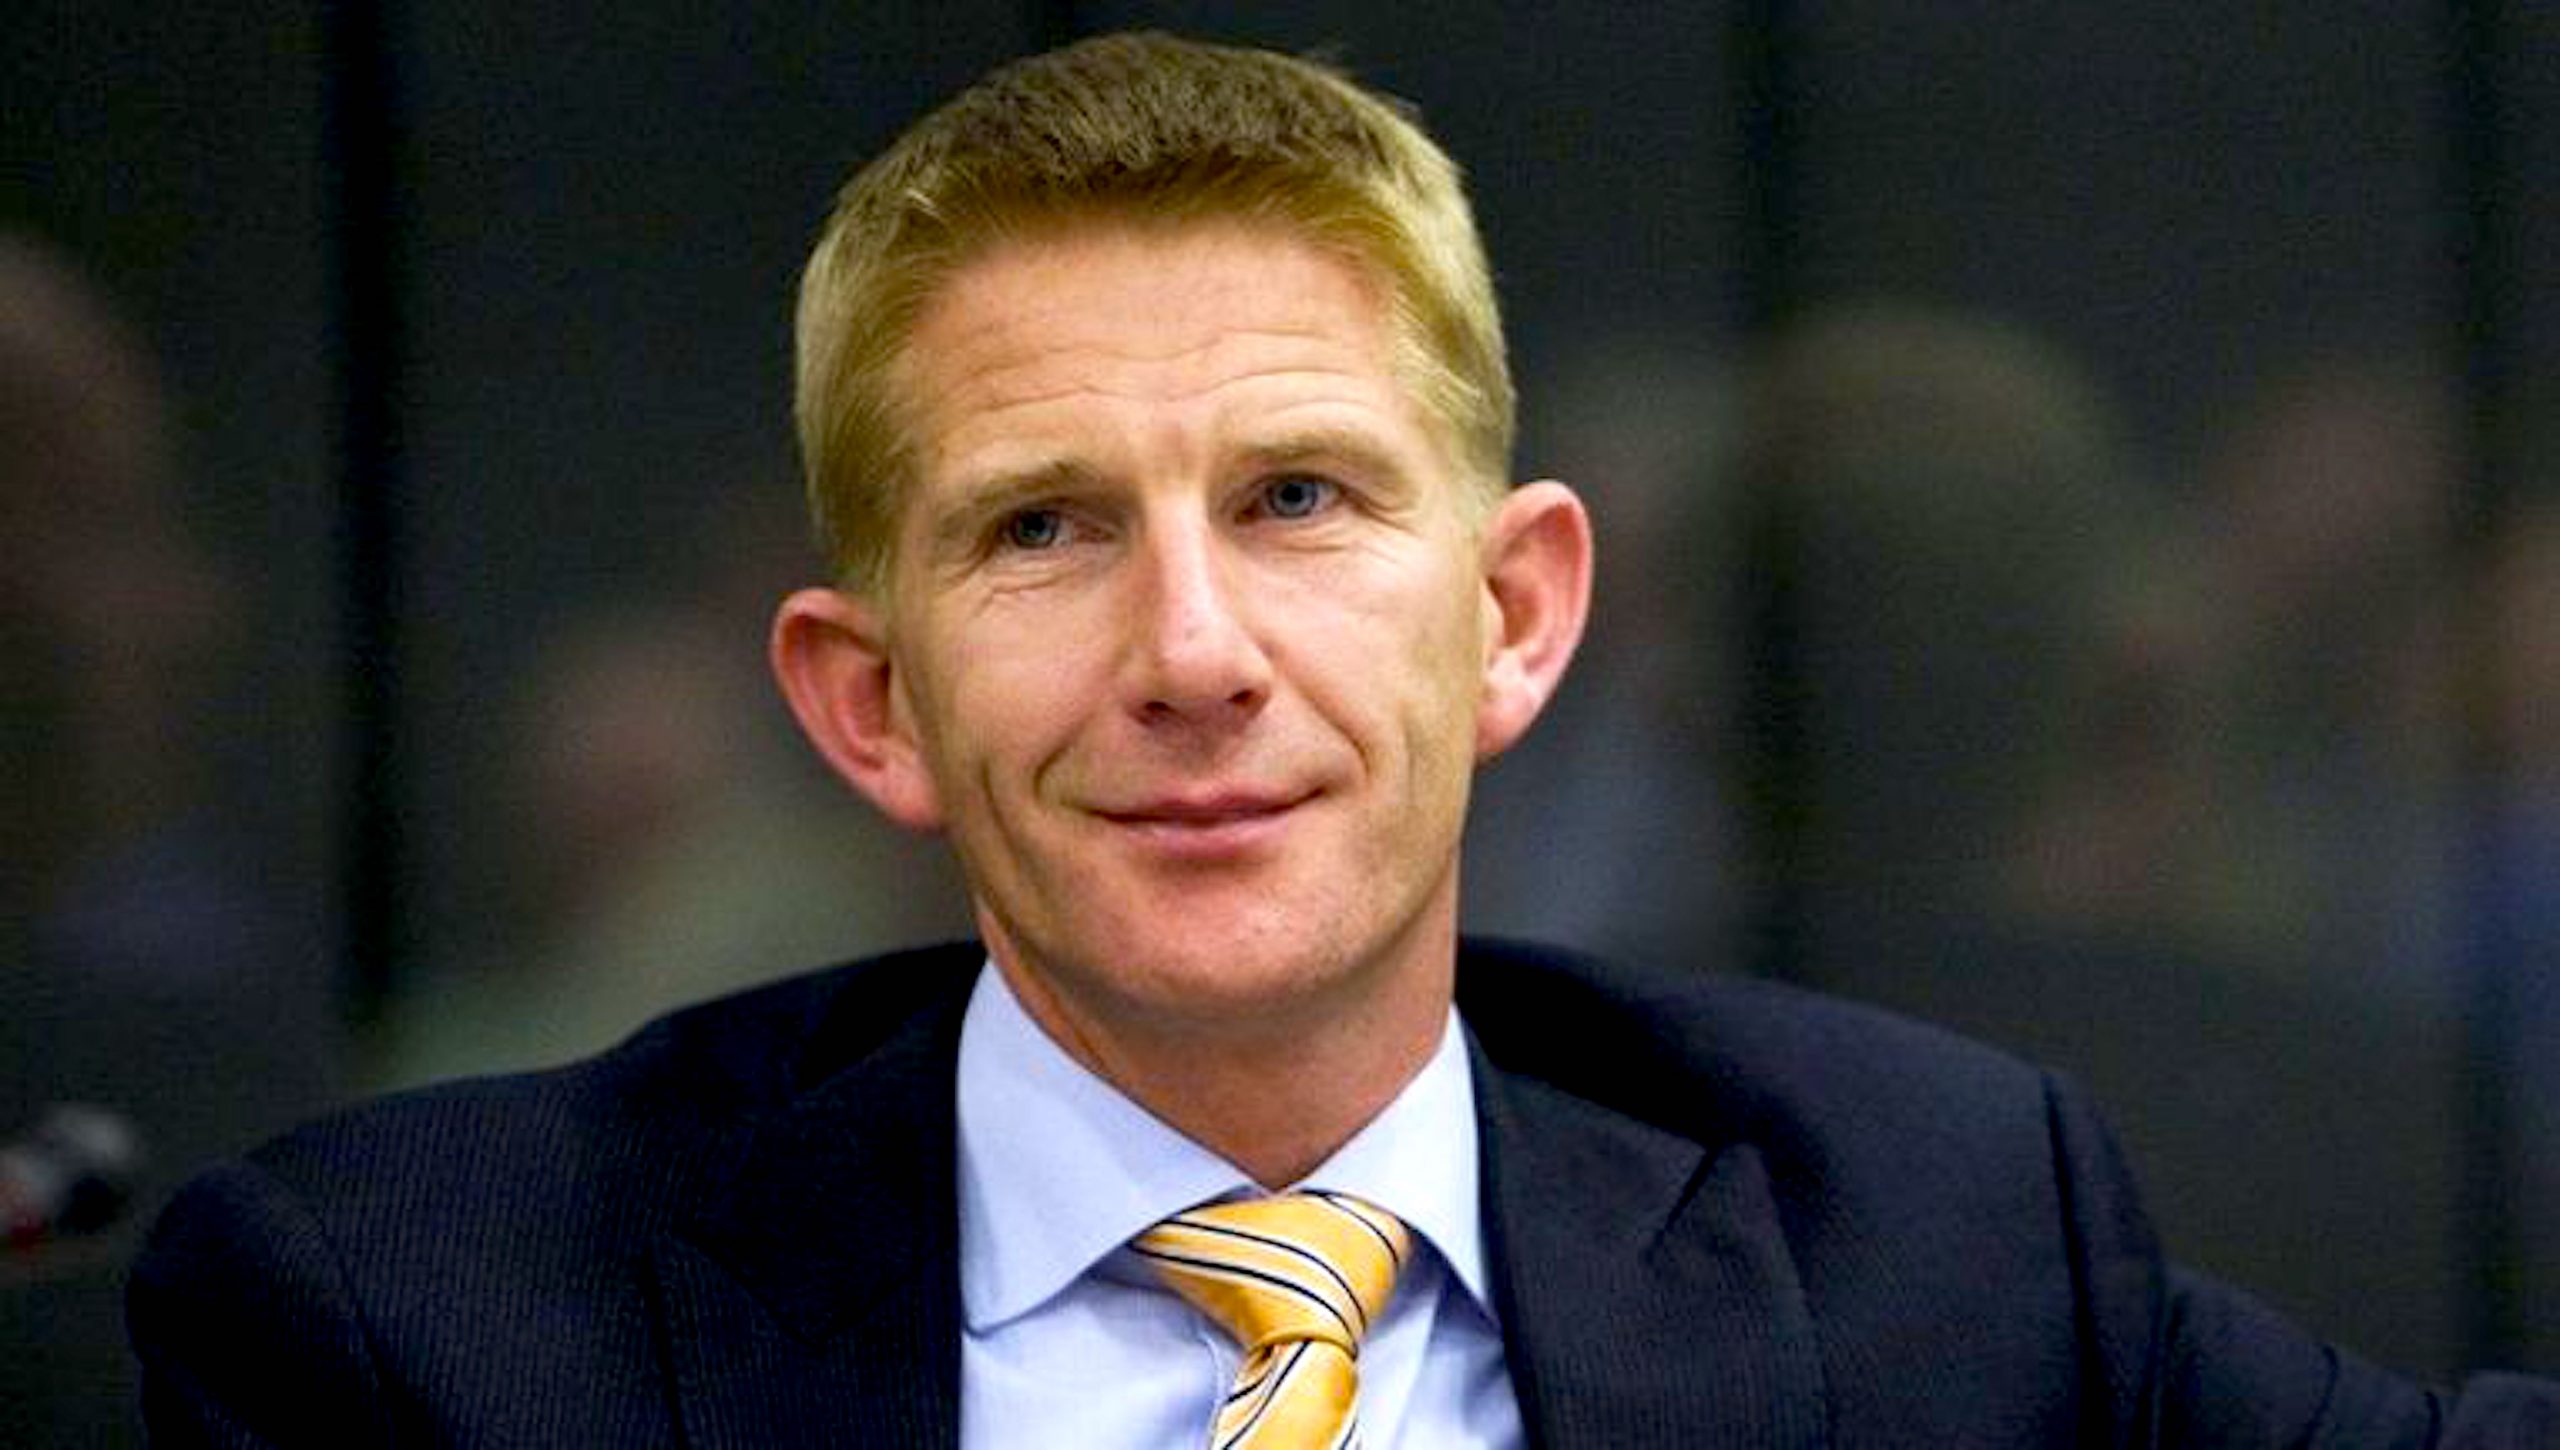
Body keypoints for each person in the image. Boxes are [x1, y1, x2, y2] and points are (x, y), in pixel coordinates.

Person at [126, 31, 2555, 1447]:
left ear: (1512, 615)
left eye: (1295, 497)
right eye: (1045, 527)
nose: (1192, 648)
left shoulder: (1921, 1229)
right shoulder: (418, 1329)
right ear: (868, 702)